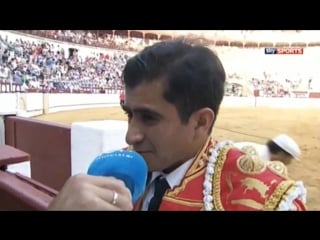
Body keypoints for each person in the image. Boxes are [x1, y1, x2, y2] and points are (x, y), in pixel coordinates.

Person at [48, 40, 307, 211]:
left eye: (149, 118)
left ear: (200, 122)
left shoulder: (266, 199)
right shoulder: (125, 166)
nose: (131, 135)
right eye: (129, 115)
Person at [234, 134, 301, 165]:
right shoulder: (258, 159)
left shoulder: (261, 151)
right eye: (290, 158)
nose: (289, 162)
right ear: (281, 154)